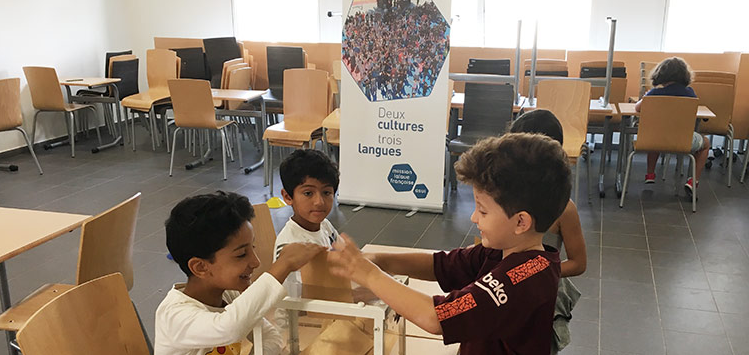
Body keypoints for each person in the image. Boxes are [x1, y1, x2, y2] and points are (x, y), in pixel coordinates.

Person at [329, 133, 571, 354]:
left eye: (483, 211)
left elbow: (436, 318)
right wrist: (378, 260)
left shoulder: (520, 281)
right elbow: (441, 265)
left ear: (521, 222)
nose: (473, 217)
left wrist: (369, 274)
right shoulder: (500, 251)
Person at [155, 191, 324, 355]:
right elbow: (228, 328)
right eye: (241, 254)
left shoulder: (229, 294)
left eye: (253, 247)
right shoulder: (174, 315)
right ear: (200, 267)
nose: (256, 262)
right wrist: (282, 265)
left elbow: (270, 337)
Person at [509, 109, 587, 353]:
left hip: (541, 296)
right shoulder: (505, 197)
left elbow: (578, 263)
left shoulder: (564, 209)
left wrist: (538, 272)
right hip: (504, 289)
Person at [272, 149, 340, 329]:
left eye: (326, 193)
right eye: (308, 193)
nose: (319, 202)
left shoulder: (325, 226)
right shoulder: (289, 245)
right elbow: (302, 299)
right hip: (298, 324)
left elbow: (344, 256)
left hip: (325, 309)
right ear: (288, 197)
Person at [635, 56, 710, 197]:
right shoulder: (690, 93)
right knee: (706, 143)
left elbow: (638, 108)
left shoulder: (654, 93)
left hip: (655, 140)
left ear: (660, 74)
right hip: (683, 141)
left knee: (657, 136)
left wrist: (646, 96)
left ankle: (650, 174)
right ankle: (693, 181)